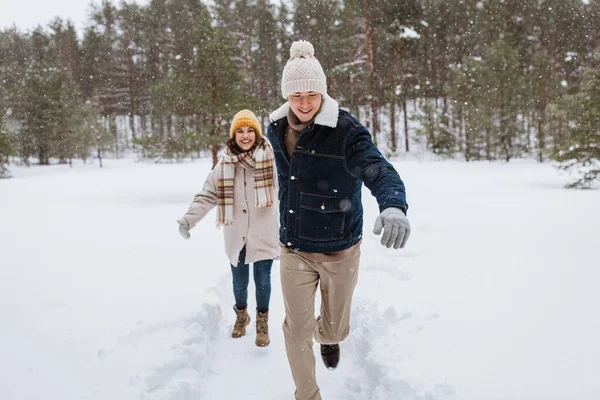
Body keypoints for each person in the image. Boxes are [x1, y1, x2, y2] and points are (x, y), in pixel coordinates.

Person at [267, 40, 411, 399]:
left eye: (311, 95)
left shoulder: (346, 131)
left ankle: (329, 339)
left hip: (339, 249)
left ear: (323, 93)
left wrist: (392, 204)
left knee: (333, 330)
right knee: (295, 327)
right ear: (287, 95)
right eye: (296, 95)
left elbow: (377, 167)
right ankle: (307, 394)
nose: (303, 103)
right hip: (294, 248)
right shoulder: (274, 128)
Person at [177, 109, 279, 347]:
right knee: (239, 282)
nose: (245, 136)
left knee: (263, 279)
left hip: (264, 232)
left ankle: (262, 321)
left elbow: (291, 189)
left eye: (250, 131)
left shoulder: (271, 161)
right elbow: (207, 195)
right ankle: (241, 316)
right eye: (240, 132)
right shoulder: (224, 165)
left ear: (257, 133)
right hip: (237, 235)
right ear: (234, 136)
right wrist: (188, 219)